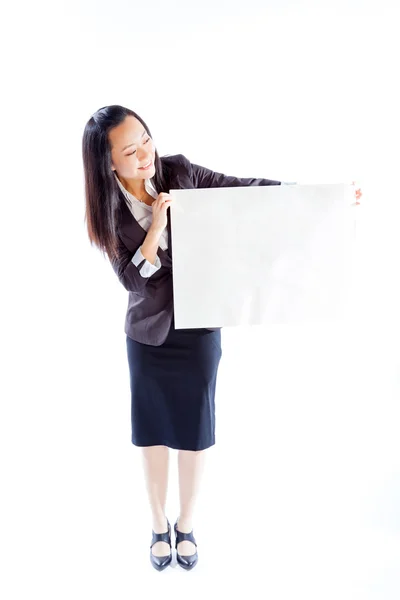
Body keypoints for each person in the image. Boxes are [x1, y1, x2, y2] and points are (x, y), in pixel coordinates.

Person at [82, 105, 362, 571]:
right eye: (129, 151)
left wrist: (319, 198)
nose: (144, 154)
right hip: (148, 338)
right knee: (152, 434)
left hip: (199, 326)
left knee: (194, 432)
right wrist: (155, 229)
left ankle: (187, 526)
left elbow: (244, 192)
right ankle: (157, 524)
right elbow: (133, 282)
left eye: (146, 140)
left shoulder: (180, 171)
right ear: (108, 162)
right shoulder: (106, 211)